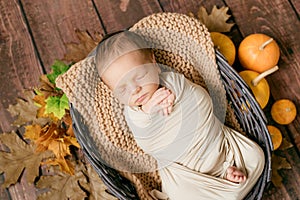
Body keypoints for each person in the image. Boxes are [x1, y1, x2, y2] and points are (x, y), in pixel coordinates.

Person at [95, 31, 265, 200]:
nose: (135, 90)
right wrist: (148, 111)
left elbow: (198, 98)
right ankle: (225, 182)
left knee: (256, 156)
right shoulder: (134, 115)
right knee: (181, 194)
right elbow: (147, 143)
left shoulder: (173, 81)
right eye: (122, 89)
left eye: (139, 76)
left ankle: (224, 175)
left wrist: (174, 95)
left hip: (220, 146)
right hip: (185, 174)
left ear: (154, 63)